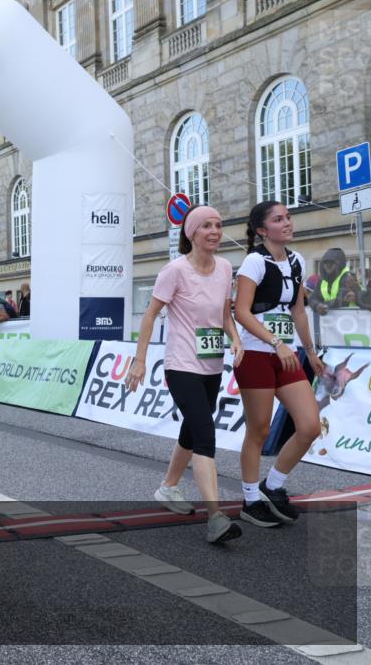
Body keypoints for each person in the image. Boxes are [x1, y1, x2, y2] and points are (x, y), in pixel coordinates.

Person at [126, 206, 244, 544]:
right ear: (191, 233)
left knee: (192, 431)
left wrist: (235, 339)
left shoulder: (224, 268)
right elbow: (150, 316)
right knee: (206, 434)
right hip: (180, 365)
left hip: (211, 364)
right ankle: (216, 517)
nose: (214, 231)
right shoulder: (173, 271)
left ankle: (168, 487)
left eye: (218, 225)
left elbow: (224, 314)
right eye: (206, 225)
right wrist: (140, 359)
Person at [233, 201, 323, 528]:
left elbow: (298, 311)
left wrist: (310, 352)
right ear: (261, 230)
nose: (287, 222)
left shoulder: (297, 260)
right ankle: (250, 498)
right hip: (256, 354)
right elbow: (241, 311)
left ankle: (274, 485)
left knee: (310, 425)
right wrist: (276, 342)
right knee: (259, 429)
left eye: (288, 217)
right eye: (278, 219)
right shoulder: (254, 262)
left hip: (285, 355)